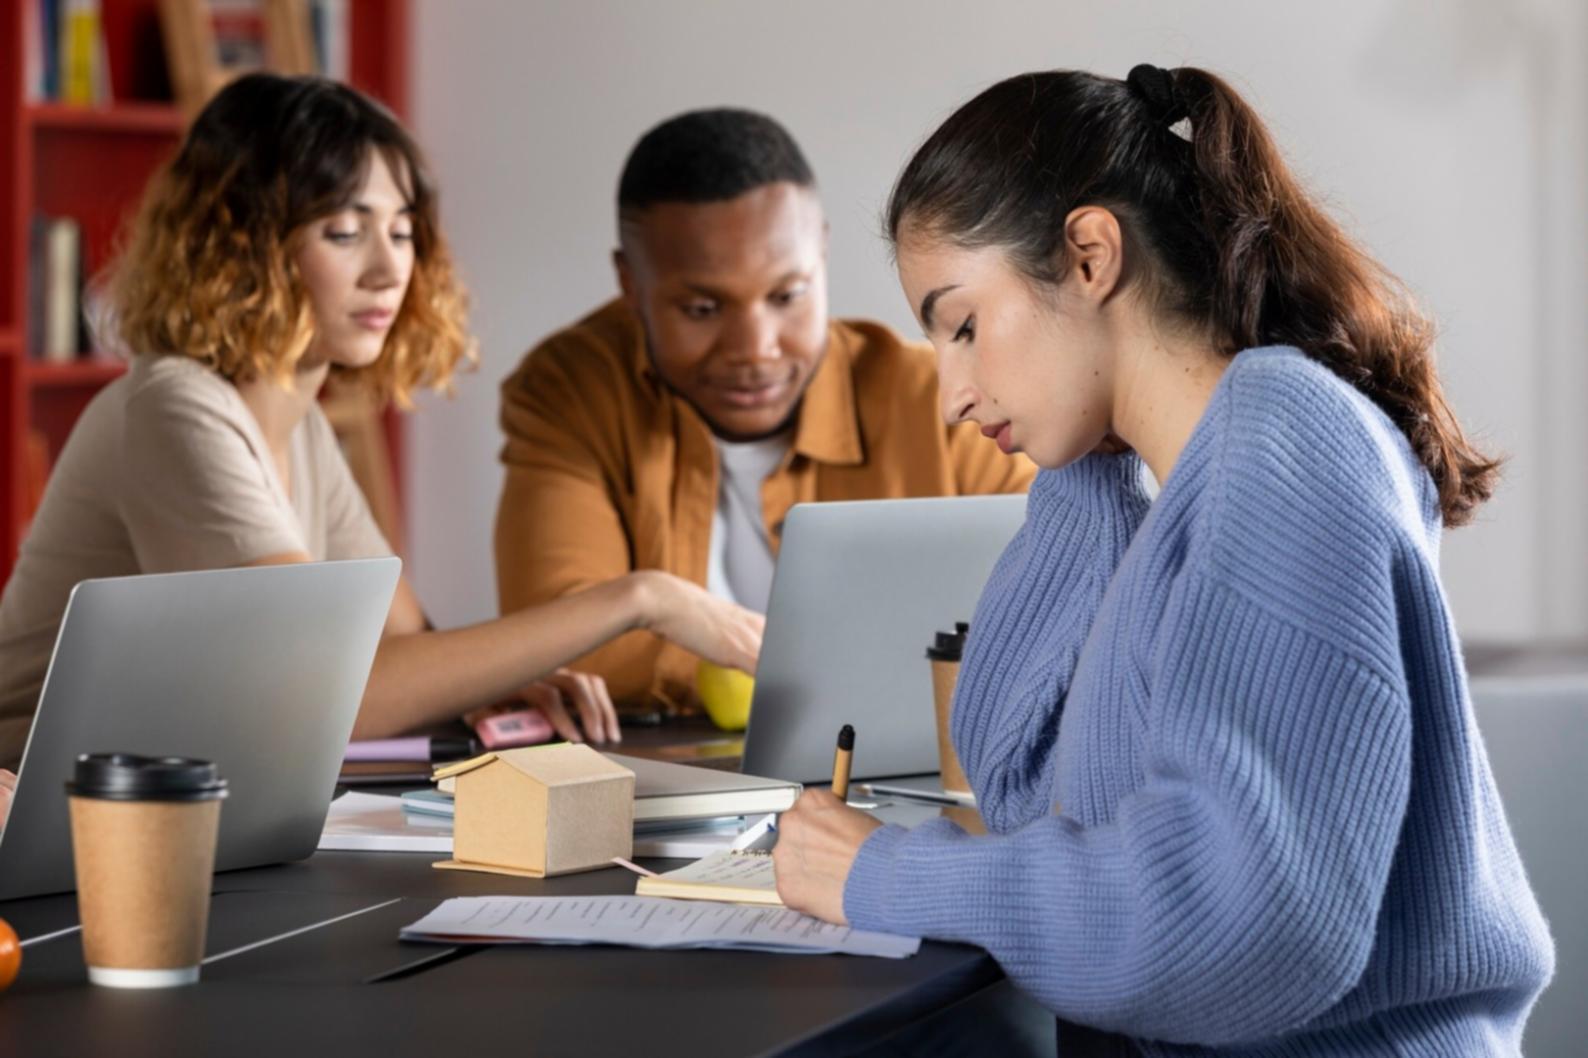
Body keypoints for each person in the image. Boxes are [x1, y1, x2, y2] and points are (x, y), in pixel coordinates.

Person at [773, 65, 1554, 1055]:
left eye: (964, 326)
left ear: (1090, 255)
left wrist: (883, 873)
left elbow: (1239, 920)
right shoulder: (1175, 483)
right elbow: (1021, 792)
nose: (954, 395)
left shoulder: (1284, 442)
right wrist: (1085, 475)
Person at [0, 73, 763, 784]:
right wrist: (643, 597)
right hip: (42, 816)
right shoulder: (174, 410)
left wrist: (497, 682)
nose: (388, 268)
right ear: (242, 245)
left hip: (167, 799)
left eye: (402, 231)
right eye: (343, 231)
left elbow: (399, 648)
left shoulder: (302, 429)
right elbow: (324, 694)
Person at [494, 108, 1034, 714]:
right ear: (630, 283)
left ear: (821, 253)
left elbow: (1054, 612)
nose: (755, 348)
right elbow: (549, 640)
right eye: (702, 308)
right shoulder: (570, 390)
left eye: (787, 295)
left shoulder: (939, 400)